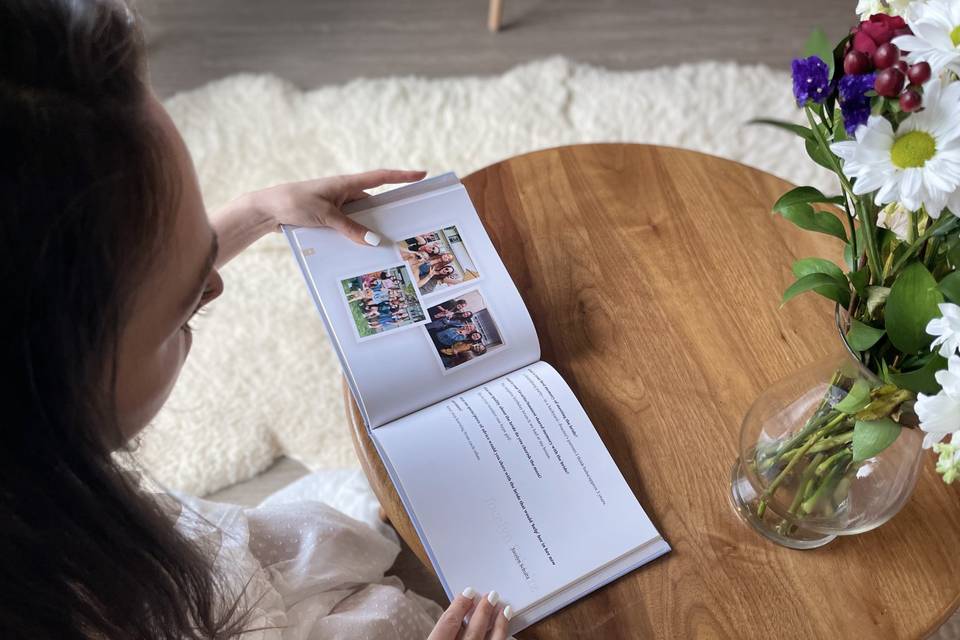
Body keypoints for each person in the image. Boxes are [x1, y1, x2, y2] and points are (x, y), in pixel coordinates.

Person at [0, 2, 512, 639]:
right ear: (60, 384)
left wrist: (256, 213)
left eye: (205, 251)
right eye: (185, 310)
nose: (214, 284)